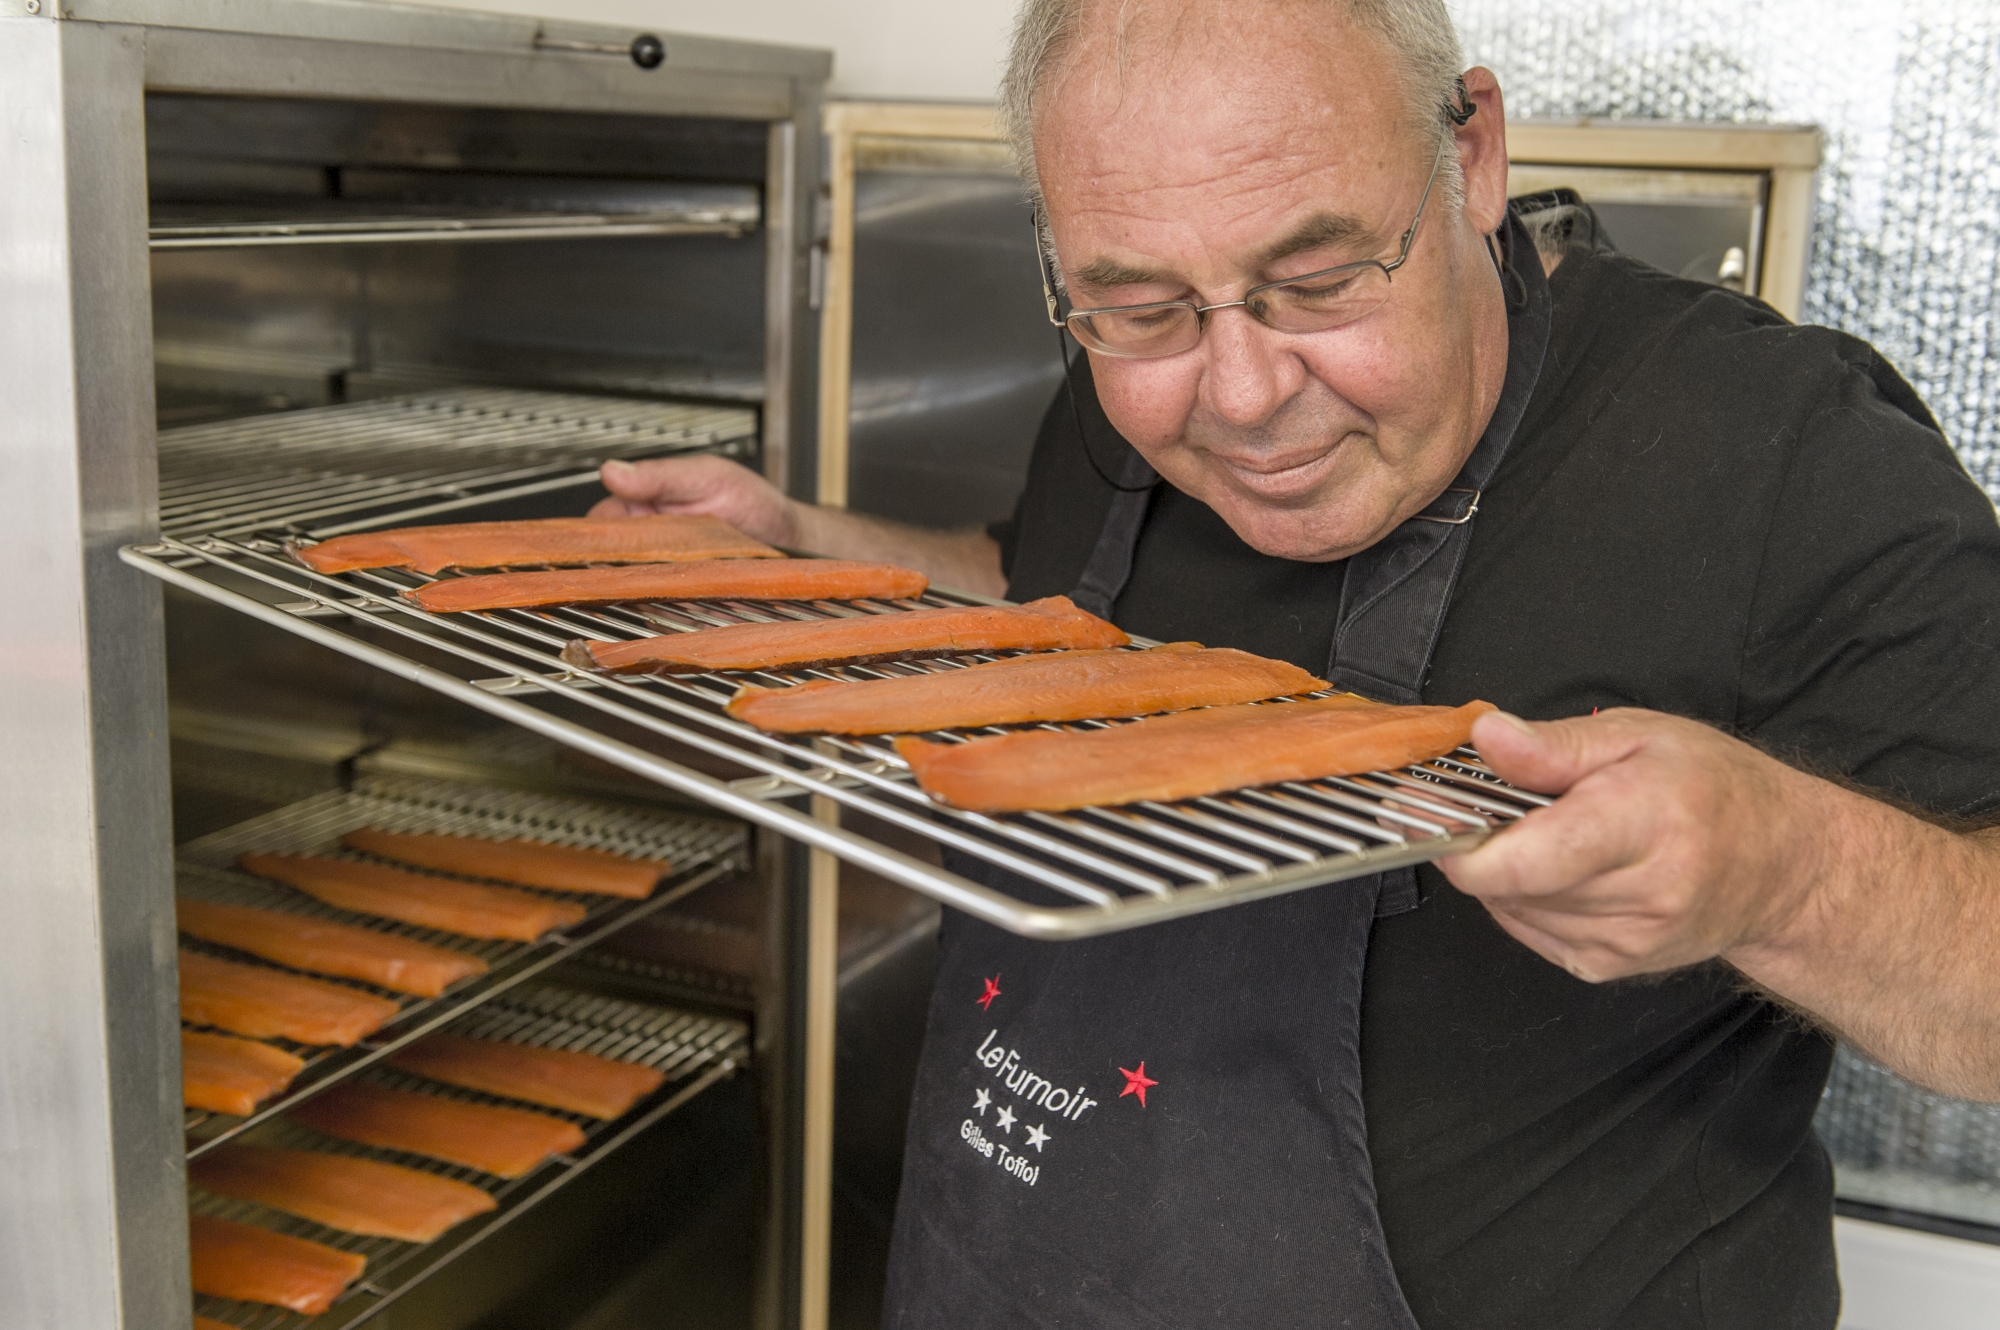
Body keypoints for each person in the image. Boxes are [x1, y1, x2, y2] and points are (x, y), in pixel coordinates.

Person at [594, 0, 2000, 1324]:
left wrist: (1785, 867)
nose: (1245, 394)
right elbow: (1044, 598)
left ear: (1472, 155)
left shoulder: (1778, 452)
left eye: (1318, 281)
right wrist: (813, 552)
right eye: (1143, 312)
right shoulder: (1115, 407)